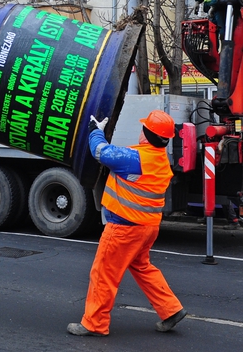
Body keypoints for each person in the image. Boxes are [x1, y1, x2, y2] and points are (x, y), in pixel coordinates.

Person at [68, 111, 187, 337]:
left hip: (124, 228)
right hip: (147, 228)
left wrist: (96, 131)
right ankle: (171, 309)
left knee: (104, 273)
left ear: (148, 134)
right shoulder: (160, 159)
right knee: (142, 266)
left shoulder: (136, 159)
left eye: (144, 128)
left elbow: (100, 152)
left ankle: (94, 323)